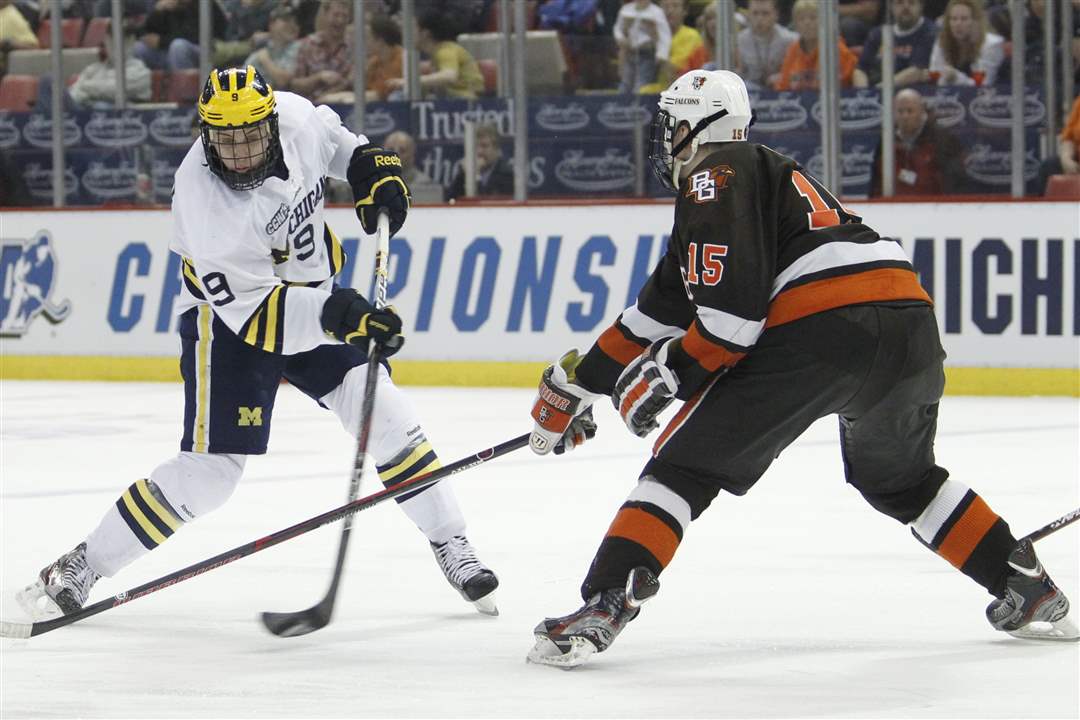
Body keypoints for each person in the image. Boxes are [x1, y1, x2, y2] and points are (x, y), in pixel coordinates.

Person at [523, 68, 1076, 668]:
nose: (666, 140)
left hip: (820, 333)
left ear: (692, 127)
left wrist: (675, 371)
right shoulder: (753, 185)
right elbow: (650, 318)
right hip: (909, 326)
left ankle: (606, 601)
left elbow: (733, 322)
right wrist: (574, 385)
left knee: (681, 467)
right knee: (901, 480)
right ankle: (1024, 584)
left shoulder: (713, 174)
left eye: (670, 126)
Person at [15, 65, 500, 623]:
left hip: (313, 295)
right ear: (205, 134)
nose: (240, 152)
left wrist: (370, 169)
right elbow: (259, 321)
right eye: (225, 139)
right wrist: (343, 317)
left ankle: (451, 542)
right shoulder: (204, 204)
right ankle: (82, 564)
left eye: (250, 135)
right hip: (227, 322)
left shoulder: (294, 117)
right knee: (211, 474)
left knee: (385, 411)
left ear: (270, 123)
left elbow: (337, 144)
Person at [869, 87, 965, 196]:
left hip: (934, 206)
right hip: (895, 207)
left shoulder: (942, 139)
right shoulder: (887, 140)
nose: (905, 116)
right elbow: (876, 182)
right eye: (900, 111)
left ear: (921, 111)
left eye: (910, 111)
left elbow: (954, 182)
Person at [35, 35, 151, 113]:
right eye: (106, 44)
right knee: (49, 80)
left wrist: (86, 87)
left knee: (101, 107)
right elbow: (75, 92)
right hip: (81, 112)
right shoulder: (93, 68)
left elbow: (114, 90)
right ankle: (44, 133)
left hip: (111, 117)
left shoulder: (140, 70)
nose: (105, 48)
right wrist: (84, 93)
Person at [386, 9, 484, 100]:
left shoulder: (445, 51)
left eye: (413, 29)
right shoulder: (436, 54)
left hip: (466, 101)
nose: (408, 34)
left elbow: (449, 76)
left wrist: (410, 82)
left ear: (425, 33)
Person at [774, 0, 868, 90]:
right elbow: (782, 87)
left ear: (823, 21)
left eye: (813, 17)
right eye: (801, 19)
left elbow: (856, 75)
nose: (807, 23)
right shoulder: (793, 50)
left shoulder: (835, 48)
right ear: (795, 24)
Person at [857, 0, 938, 87]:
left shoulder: (930, 32)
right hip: (879, 89)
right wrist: (864, 93)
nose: (906, 7)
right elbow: (860, 70)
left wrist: (880, 91)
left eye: (911, 2)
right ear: (891, 6)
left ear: (921, 6)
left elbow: (916, 71)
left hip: (914, 92)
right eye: (900, 2)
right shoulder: (878, 33)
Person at [290, 0, 354, 104]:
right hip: (309, 108)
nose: (340, 20)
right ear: (325, 15)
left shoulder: (353, 48)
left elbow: (353, 83)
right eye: (336, 15)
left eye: (344, 16)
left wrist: (327, 96)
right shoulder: (308, 45)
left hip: (343, 108)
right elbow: (295, 84)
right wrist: (318, 77)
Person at [928, 0, 1004, 87]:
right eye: (953, 19)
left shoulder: (991, 45)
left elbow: (982, 84)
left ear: (976, 21)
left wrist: (956, 77)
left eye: (964, 19)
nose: (958, 24)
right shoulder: (942, 42)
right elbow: (935, 78)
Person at [135, 0, 226, 71]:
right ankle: (155, 91)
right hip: (170, 51)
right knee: (140, 48)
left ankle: (184, 93)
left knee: (178, 47)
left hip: (204, 52)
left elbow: (195, 37)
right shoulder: (169, 6)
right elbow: (142, 33)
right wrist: (157, 11)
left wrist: (161, 41)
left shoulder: (203, 4)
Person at [638, 0, 705, 93]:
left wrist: (657, 40)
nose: (669, 11)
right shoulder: (650, 34)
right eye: (665, 7)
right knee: (640, 92)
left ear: (684, 11)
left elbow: (672, 73)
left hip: (685, 91)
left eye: (675, 6)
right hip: (660, 88)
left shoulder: (691, 36)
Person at [613, 0, 672, 94]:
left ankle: (638, 107)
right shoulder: (626, 9)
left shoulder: (657, 12)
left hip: (647, 54)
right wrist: (621, 39)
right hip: (630, 52)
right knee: (626, 83)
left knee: (641, 84)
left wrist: (661, 54)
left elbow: (664, 35)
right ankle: (621, 106)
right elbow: (617, 28)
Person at [736, 0, 797, 88]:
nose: (760, 18)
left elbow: (794, 73)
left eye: (765, 13)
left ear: (776, 15)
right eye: (755, 13)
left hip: (781, 92)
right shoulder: (740, 40)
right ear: (748, 14)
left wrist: (780, 77)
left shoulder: (790, 40)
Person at [446, 123, 514, 201]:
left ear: (496, 149)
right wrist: (463, 175)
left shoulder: (507, 175)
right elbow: (449, 201)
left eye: (484, 146)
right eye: (475, 146)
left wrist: (476, 176)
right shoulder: (465, 171)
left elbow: (486, 207)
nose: (479, 151)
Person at [243, 5, 301, 90]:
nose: (292, 25)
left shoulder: (299, 47)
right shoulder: (263, 48)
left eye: (296, 22)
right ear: (272, 24)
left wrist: (265, 61)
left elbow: (283, 81)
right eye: (286, 20)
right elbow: (243, 79)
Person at [384, 130, 443, 204]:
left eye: (402, 150)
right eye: (391, 150)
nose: (395, 154)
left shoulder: (425, 184)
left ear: (412, 155)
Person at [1037, 94, 1080, 195]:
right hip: (1077, 162)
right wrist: (1066, 159)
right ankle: (1043, 209)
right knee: (1049, 166)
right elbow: (1068, 138)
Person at [364, 14, 404, 102]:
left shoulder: (403, 59)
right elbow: (368, 91)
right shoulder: (373, 64)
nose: (366, 42)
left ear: (380, 41)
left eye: (368, 38)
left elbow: (381, 94)